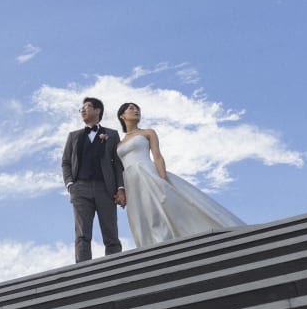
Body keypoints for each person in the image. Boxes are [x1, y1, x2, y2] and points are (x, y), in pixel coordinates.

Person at [116, 102, 244, 248]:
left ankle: (164, 244)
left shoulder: (148, 133)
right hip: (131, 181)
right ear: (122, 115)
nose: (136, 110)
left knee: (156, 211)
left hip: (147, 173)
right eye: (131, 108)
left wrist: (162, 178)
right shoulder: (118, 144)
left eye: (137, 108)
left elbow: (157, 156)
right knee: (139, 216)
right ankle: (148, 248)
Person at [62, 97, 127, 263]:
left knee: (111, 232)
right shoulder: (74, 136)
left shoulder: (111, 135)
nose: (83, 110)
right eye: (81, 108)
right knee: (82, 234)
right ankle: (83, 272)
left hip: (106, 189)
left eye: (87, 107)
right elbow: (66, 162)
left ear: (98, 111)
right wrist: (70, 185)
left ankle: (115, 268)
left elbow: (118, 164)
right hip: (80, 189)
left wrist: (120, 188)